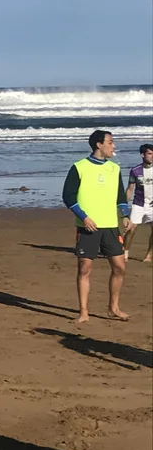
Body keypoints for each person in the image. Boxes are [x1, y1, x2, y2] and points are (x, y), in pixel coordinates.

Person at [62, 130, 134, 324]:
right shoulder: (79, 167)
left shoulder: (114, 168)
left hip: (110, 225)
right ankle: (84, 312)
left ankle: (113, 308)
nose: (114, 146)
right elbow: (68, 196)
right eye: (110, 142)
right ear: (99, 145)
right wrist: (84, 218)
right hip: (88, 227)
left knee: (119, 267)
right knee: (85, 268)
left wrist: (124, 216)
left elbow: (120, 196)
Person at [124, 143, 153, 263]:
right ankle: (125, 252)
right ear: (142, 155)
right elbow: (130, 189)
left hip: (152, 205)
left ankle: (149, 255)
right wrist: (124, 206)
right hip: (139, 203)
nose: (152, 156)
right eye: (149, 154)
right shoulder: (135, 170)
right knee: (131, 228)